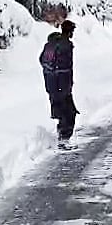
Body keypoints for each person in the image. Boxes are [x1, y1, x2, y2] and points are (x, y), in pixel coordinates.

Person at [39, 20, 79, 148]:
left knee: (61, 111)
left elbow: (42, 60)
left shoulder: (51, 44)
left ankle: (62, 137)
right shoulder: (65, 45)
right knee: (68, 112)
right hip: (62, 83)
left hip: (51, 83)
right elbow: (66, 66)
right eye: (72, 30)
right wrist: (66, 82)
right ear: (69, 31)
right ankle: (63, 140)